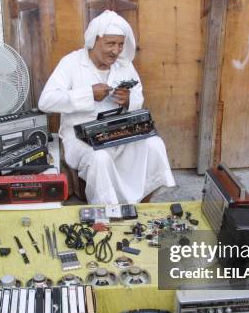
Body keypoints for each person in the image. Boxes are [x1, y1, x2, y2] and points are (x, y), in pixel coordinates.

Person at [38, 10, 176, 204]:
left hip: (118, 132)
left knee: (154, 144)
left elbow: (138, 96)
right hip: (79, 135)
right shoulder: (71, 63)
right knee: (100, 158)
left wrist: (128, 100)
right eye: (110, 43)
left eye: (120, 44)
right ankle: (106, 210)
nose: (116, 50)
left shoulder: (124, 65)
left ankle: (142, 202)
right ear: (94, 40)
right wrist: (88, 94)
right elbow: (46, 102)